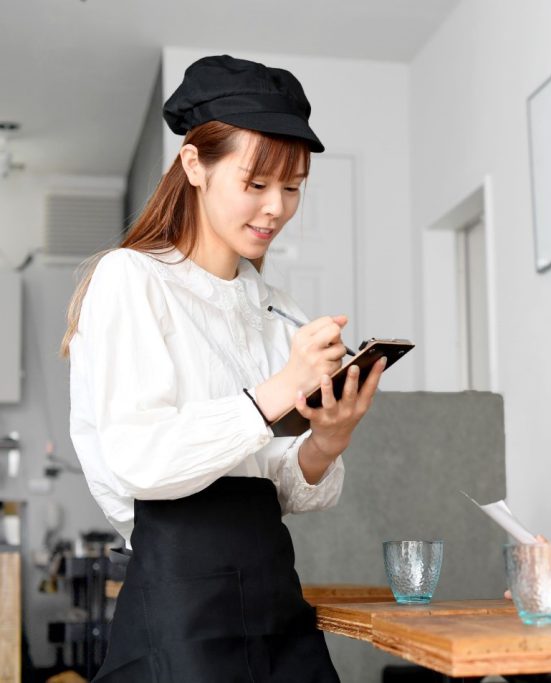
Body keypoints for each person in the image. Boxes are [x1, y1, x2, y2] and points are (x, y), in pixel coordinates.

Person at [63, 55, 383, 682]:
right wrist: (275, 394)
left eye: (292, 188)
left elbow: (284, 490)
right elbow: (137, 457)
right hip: (179, 602)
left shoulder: (276, 309)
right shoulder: (131, 279)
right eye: (256, 184)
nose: (276, 208)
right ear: (195, 166)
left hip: (275, 590)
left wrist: (328, 438)